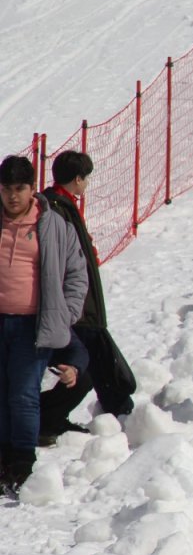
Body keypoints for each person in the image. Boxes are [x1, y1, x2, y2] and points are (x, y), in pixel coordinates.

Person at [0, 155, 87, 495]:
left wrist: (64, 316)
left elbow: (78, 275)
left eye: (20, 189)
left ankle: (22, 461)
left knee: (22, 394)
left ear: (32, 188)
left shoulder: (53, 226)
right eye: (6, 189)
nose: (13, 197)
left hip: (32, 327)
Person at [39, 150, 136, 441]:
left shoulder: (63, 205)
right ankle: (47, 418)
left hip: (82, 303)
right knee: (88, 367)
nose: (87, 184)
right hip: (74, 306)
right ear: (77, 179)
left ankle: (60, 417)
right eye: (86, 178)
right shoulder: (56, 208)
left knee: (94, 362)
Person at [39, 330, 91, 446]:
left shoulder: (50, 320)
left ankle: (48, 424)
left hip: (36, 391)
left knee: (82, 380)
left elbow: (78, 349)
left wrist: (73, 369)